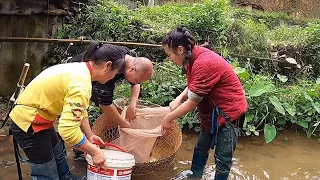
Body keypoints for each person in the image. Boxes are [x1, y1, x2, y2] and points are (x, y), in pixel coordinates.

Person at [9, 43, 130, 180]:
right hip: (28, 121)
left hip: (41, 116)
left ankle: (66, 177)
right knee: (46, 170)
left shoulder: (81, 70)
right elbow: (68, 131)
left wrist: (89, 135)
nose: (114, 77)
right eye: (115, 73)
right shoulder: (80, 84)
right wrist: (95, 151)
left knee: (58, 153)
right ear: (107, 66)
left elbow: (80, 110)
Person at [161, 26, 247, 180]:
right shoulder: (191, 58)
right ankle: (195, 176)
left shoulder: (204, 62)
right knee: (201, 148)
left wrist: (168, 119)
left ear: (180, 50)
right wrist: (179, 98)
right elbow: (194, 84)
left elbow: (192, 103)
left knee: (223, 158)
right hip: (212, 113)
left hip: (229, 113)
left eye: (169, 55)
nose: (170, 59)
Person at [69, 44, 153, 126]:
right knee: (74, 112)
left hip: (89, 78)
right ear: (132, 70)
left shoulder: (130, 59)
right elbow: (105, 105)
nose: (136, 82)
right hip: (72, 77)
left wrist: (132, 104)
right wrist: (124, 125)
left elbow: (136, 84)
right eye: (137, 80)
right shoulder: (109, 70)